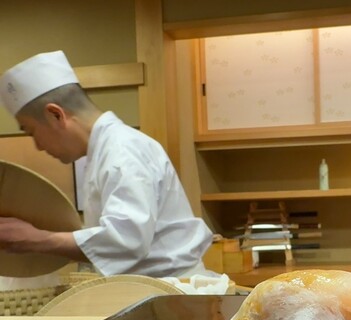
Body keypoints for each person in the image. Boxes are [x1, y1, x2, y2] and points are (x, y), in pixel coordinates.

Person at [0, 50, 214, 278]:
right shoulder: (105, 150)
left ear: (56, 114)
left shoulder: (122, 150)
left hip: (167, 288)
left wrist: (39, 240)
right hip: (149, 287)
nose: (38, 146)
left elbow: (126, 239)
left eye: (31, 131)